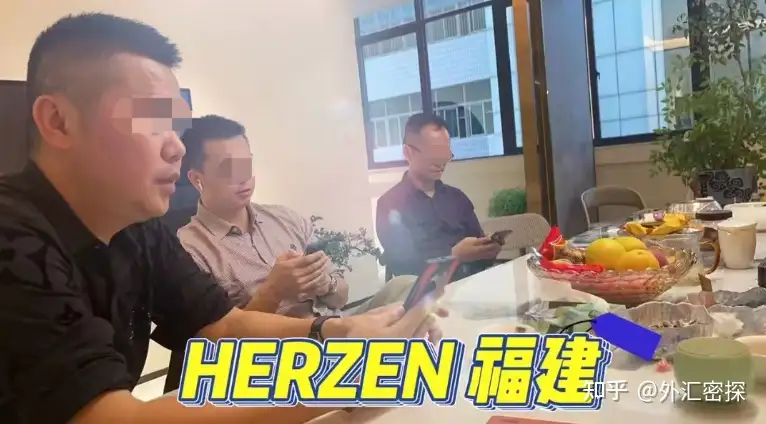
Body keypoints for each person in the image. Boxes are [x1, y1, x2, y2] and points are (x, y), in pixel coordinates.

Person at [0, 13, 443, 424]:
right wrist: (360, 374)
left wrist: (337, 330)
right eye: (152, 121)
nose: (176, 147)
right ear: (58, 121)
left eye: (177, 129)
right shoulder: (11, 234)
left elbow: (223, 323)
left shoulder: (139, 229)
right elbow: (113, 417)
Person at [166, 115, 420, 393]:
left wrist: (326, 284)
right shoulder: (189, 248)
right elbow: (222, 346)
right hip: (278, 361)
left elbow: (341, 296)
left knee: (405, 286)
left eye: (246, 164)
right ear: (197, 179)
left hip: (335, 332)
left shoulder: (286, 219)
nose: (243, 177)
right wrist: (273, 292)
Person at [376, 113, 502, 280]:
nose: (441, 162)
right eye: (433, 154)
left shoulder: (457, 198)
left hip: (468, 284)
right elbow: (404, 265)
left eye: (445, 154)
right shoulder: (390, 204)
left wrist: (488, 250)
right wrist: (452, 255)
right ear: (408, 153)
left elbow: (479, 253)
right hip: (423, 291)